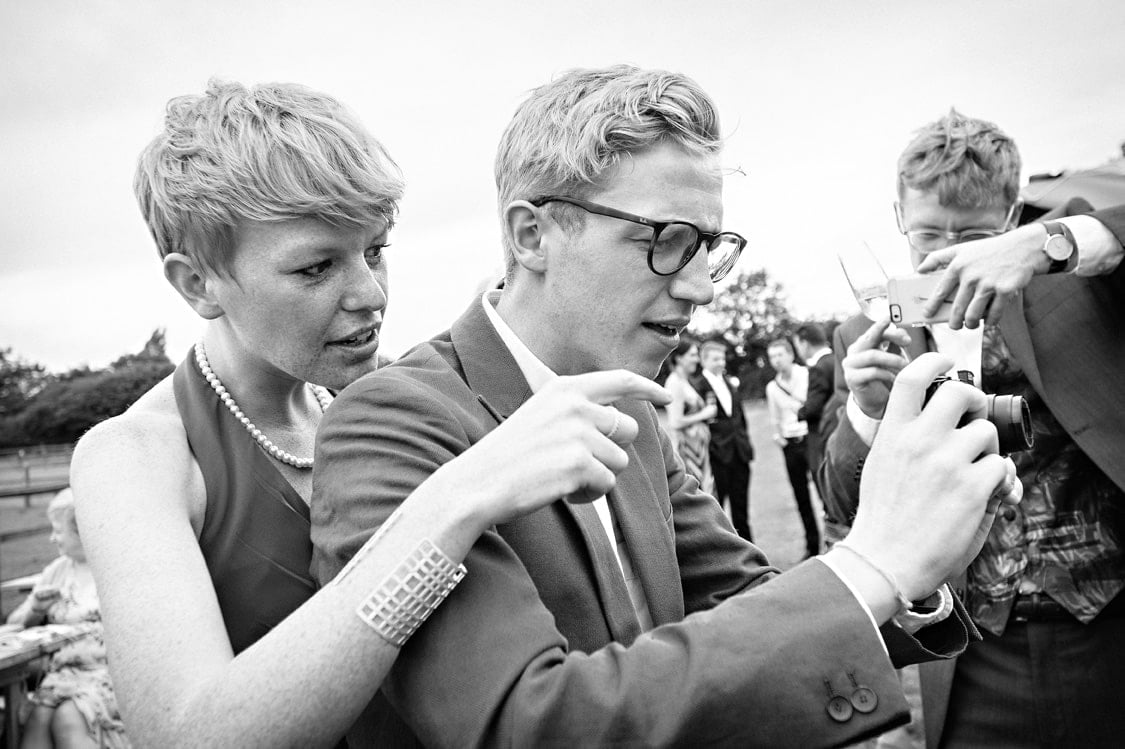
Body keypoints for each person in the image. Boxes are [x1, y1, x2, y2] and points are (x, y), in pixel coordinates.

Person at [311, 65, 1018, 748]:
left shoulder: (631, 410)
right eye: (665, 241)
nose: (702, 288)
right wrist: (874, 559)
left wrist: (915, 569)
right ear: (532, 235)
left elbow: (747, 600)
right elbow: (525, 722)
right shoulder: (389, 423)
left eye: (708, 247)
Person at [66, 79, 654, 748]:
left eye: (375, 250)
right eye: (316, 268)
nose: (370, 294)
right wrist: (450, 505)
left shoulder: (403, 398)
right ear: (197, 282)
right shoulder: (134, 457)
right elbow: (185, 733)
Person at [821, 108, 1125, 748]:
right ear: (899, 215)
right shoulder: (865, 332)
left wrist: (1051, 244)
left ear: (1012, 218)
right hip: (973, 658)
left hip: (1110, 633)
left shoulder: (1080, 287)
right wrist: (870, 414)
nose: (951, 255)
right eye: (929, 233)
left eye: (977, 234)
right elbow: (844, 501)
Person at [6, 490, 129, 749]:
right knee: (37, 718)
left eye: (58, 531)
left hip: (110, 675)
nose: (52, 538)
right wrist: (36, 609)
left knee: (68, 718)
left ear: (82, 530)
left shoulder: (117, 568)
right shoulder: (58, 570)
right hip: (62, 676)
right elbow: (15, 624)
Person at [693, 337, 754, 541]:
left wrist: (746, 442)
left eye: (722, 359)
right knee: (718, 509)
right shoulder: (697, 387)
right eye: (715, 359)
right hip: (717, 454)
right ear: (704, 360)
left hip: (739, 452)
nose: (721, 363)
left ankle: (751, 549)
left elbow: (740, 416)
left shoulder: (729, 383)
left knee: (742, 507)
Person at [765, 337, 821, 558]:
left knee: (823, 491)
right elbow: (774, 417)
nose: (776, 360)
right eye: (771, 357)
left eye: (779, 355)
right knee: (801, 497)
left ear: (790, 354)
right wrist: (779, 437)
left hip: (810, 439)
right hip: (790, 445)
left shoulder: (807, 374)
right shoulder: (772, 387)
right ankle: (812, 546)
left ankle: (834, 541)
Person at [662, 338, 716, 491]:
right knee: (698, 492)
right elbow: (675, 422)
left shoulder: (685, 381)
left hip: (700, 449)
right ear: (679, 358)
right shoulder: (674, 383)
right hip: (688, 451)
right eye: (692, 355)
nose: (697, 359)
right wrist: (704, 414)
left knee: (708, 491)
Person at [794, 322, 835, 484]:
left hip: (823, 436)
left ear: (804, 343)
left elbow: (813, 408)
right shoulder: (837, 359)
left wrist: (800, 412)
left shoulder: (818, 368)